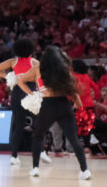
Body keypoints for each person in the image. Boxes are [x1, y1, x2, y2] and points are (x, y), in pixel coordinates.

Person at [21, 45, 92, 179]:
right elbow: (74, 93)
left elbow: (20, 80)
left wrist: (31, 94)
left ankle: (35, 168)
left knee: (37, 136)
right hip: (64, 104)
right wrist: (80, 109)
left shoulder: (38, 69)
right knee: (74, 139)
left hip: (48, 105)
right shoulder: (64, 71)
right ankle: (85, 170)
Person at [0, 38, 50, 167]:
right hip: (31, 92)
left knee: (18, 125)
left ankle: (14, 156)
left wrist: (10, 77)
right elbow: (41, 77)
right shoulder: (34, 62)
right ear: (30, 50)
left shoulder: (13, 62)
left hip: (17, 93)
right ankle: (41, 151)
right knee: (39, 124)